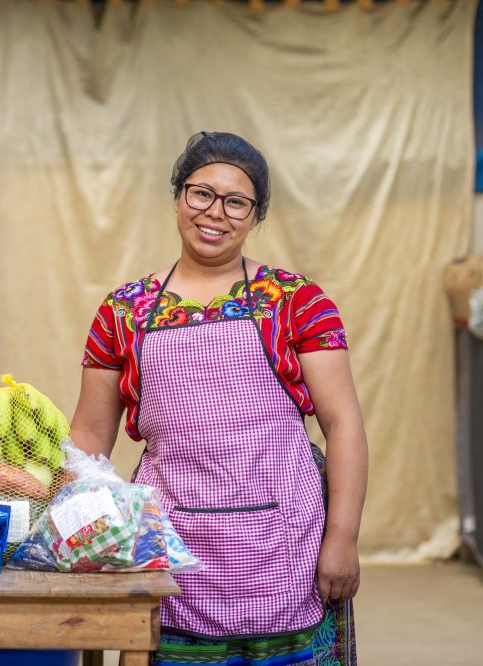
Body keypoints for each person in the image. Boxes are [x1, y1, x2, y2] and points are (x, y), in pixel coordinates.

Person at [71, 131, 367, 665]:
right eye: (201, 193)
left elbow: (343, 423)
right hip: (173, 549)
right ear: (178, 197)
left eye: (237, 202)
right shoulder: (123, 311)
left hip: (285, 545)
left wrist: (342, 537)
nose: (216, 212)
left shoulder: (298, 302)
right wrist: (79, 528)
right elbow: (90, 436)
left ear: (256, 217)